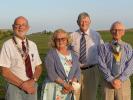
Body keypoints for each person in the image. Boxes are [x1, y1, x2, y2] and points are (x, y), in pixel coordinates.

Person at [0, 16, 42, 100]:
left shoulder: (33, 45)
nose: (21, 27)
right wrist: (23, 85)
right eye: (17, 25)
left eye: (23, 24)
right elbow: (4, 71)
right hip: (14, 87)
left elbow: (38, 67)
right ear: (13, 27)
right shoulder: (7, 45)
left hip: (32, 86)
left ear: (28, 27)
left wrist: (32, 81)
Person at [70, 12, 103, 100]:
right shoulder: (72, 36)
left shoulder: (96, 35)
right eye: (81, 21)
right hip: (75, 71)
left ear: (90, 22)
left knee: (90, 97)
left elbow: (103, 52)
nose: (84, 23)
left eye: (86, 21)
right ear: (77, 22)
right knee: (75, 96)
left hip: (92, 70)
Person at [41, 29, 80, 100]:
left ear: (67, 40)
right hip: (54, 88)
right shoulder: (50, 54)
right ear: (54, 41)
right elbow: (51, 73)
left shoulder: (73, 54)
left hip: (69, 88)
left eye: (63, 38)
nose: (60, 41)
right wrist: (66, 85)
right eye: (57, 39)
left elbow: (78, 71)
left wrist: (72, 84)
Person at [98, 21, 133, 100]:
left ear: (123, 32)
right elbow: (101, 65)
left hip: (123, 82)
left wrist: (120, 80)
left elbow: (131, 66)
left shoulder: (128, 47)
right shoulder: (103, 47)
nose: (117, 32)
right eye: (114, 30)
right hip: (107, 82)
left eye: (120, 30)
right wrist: (111, 79)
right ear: (111, 31)